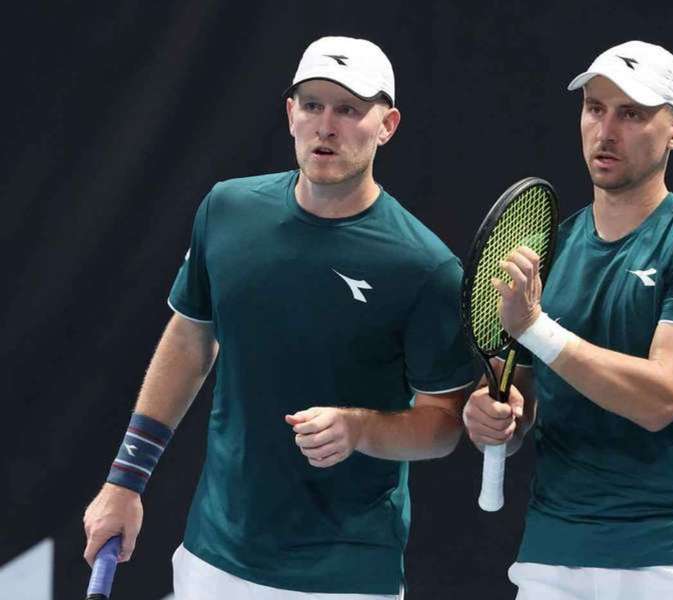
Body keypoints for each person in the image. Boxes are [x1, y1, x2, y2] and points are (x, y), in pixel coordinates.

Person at [82, 35, 475, 599]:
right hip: (213, 557)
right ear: (290, 113)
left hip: (347, 576)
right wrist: (125, 480)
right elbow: (191, 341)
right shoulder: (226, 209)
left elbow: (443, 423)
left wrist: (360, 428)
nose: (326, 125)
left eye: (348, 109)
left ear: (387, 125)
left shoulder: (425, 266)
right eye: (312, 105)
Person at [463, 40, 673, 599]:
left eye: (632, 114)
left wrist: (535, 329)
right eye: (595, 108)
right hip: (554, 557)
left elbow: (659, 398)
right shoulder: (550, 245)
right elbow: (515, 392)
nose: (606, 129)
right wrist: (492, 417)